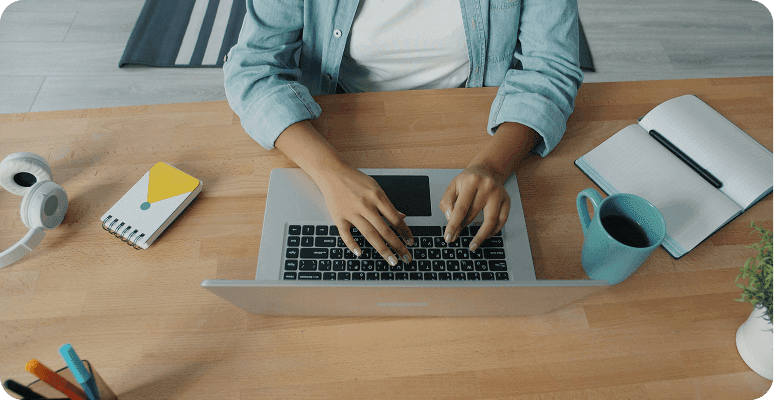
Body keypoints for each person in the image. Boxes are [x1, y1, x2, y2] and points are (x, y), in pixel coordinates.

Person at [223, 0, 583, 270]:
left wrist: (493, 166)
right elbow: (253, 68)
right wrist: (329, 173)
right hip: (336, 126)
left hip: (477, 126)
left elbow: (550, 69)